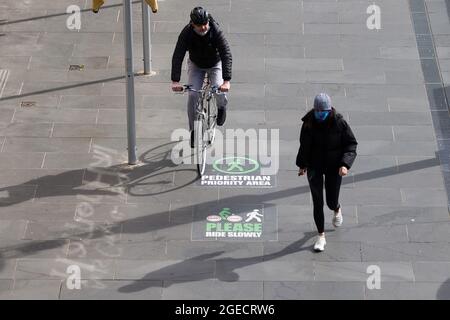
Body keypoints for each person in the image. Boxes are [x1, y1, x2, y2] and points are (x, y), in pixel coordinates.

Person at [296, 93, 358, 252]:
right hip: (314, 166)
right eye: (317, 111)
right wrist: (302, 164)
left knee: (331, 201)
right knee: (317, 201)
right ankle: (321, 235)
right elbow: (304, 145)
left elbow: (351, 144)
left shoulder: (339, 122)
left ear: (329, 110)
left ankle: (337, 208)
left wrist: (345, 164)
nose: (320, 114)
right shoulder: (308, 123)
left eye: (323, 111)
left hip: (334, 166)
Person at [171, 7, 232, 147]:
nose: (204, 27)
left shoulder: (215, 30)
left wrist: (226, 80)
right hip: (196, 64)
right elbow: (178, 55)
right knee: (192, 95)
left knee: (218, 90)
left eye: (205, 23)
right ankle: (193, 131)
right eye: (200, 25)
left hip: (214, 63)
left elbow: (226, 53)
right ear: (193, 24)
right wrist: (175, 80)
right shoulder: (187, 33)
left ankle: (222, 107)